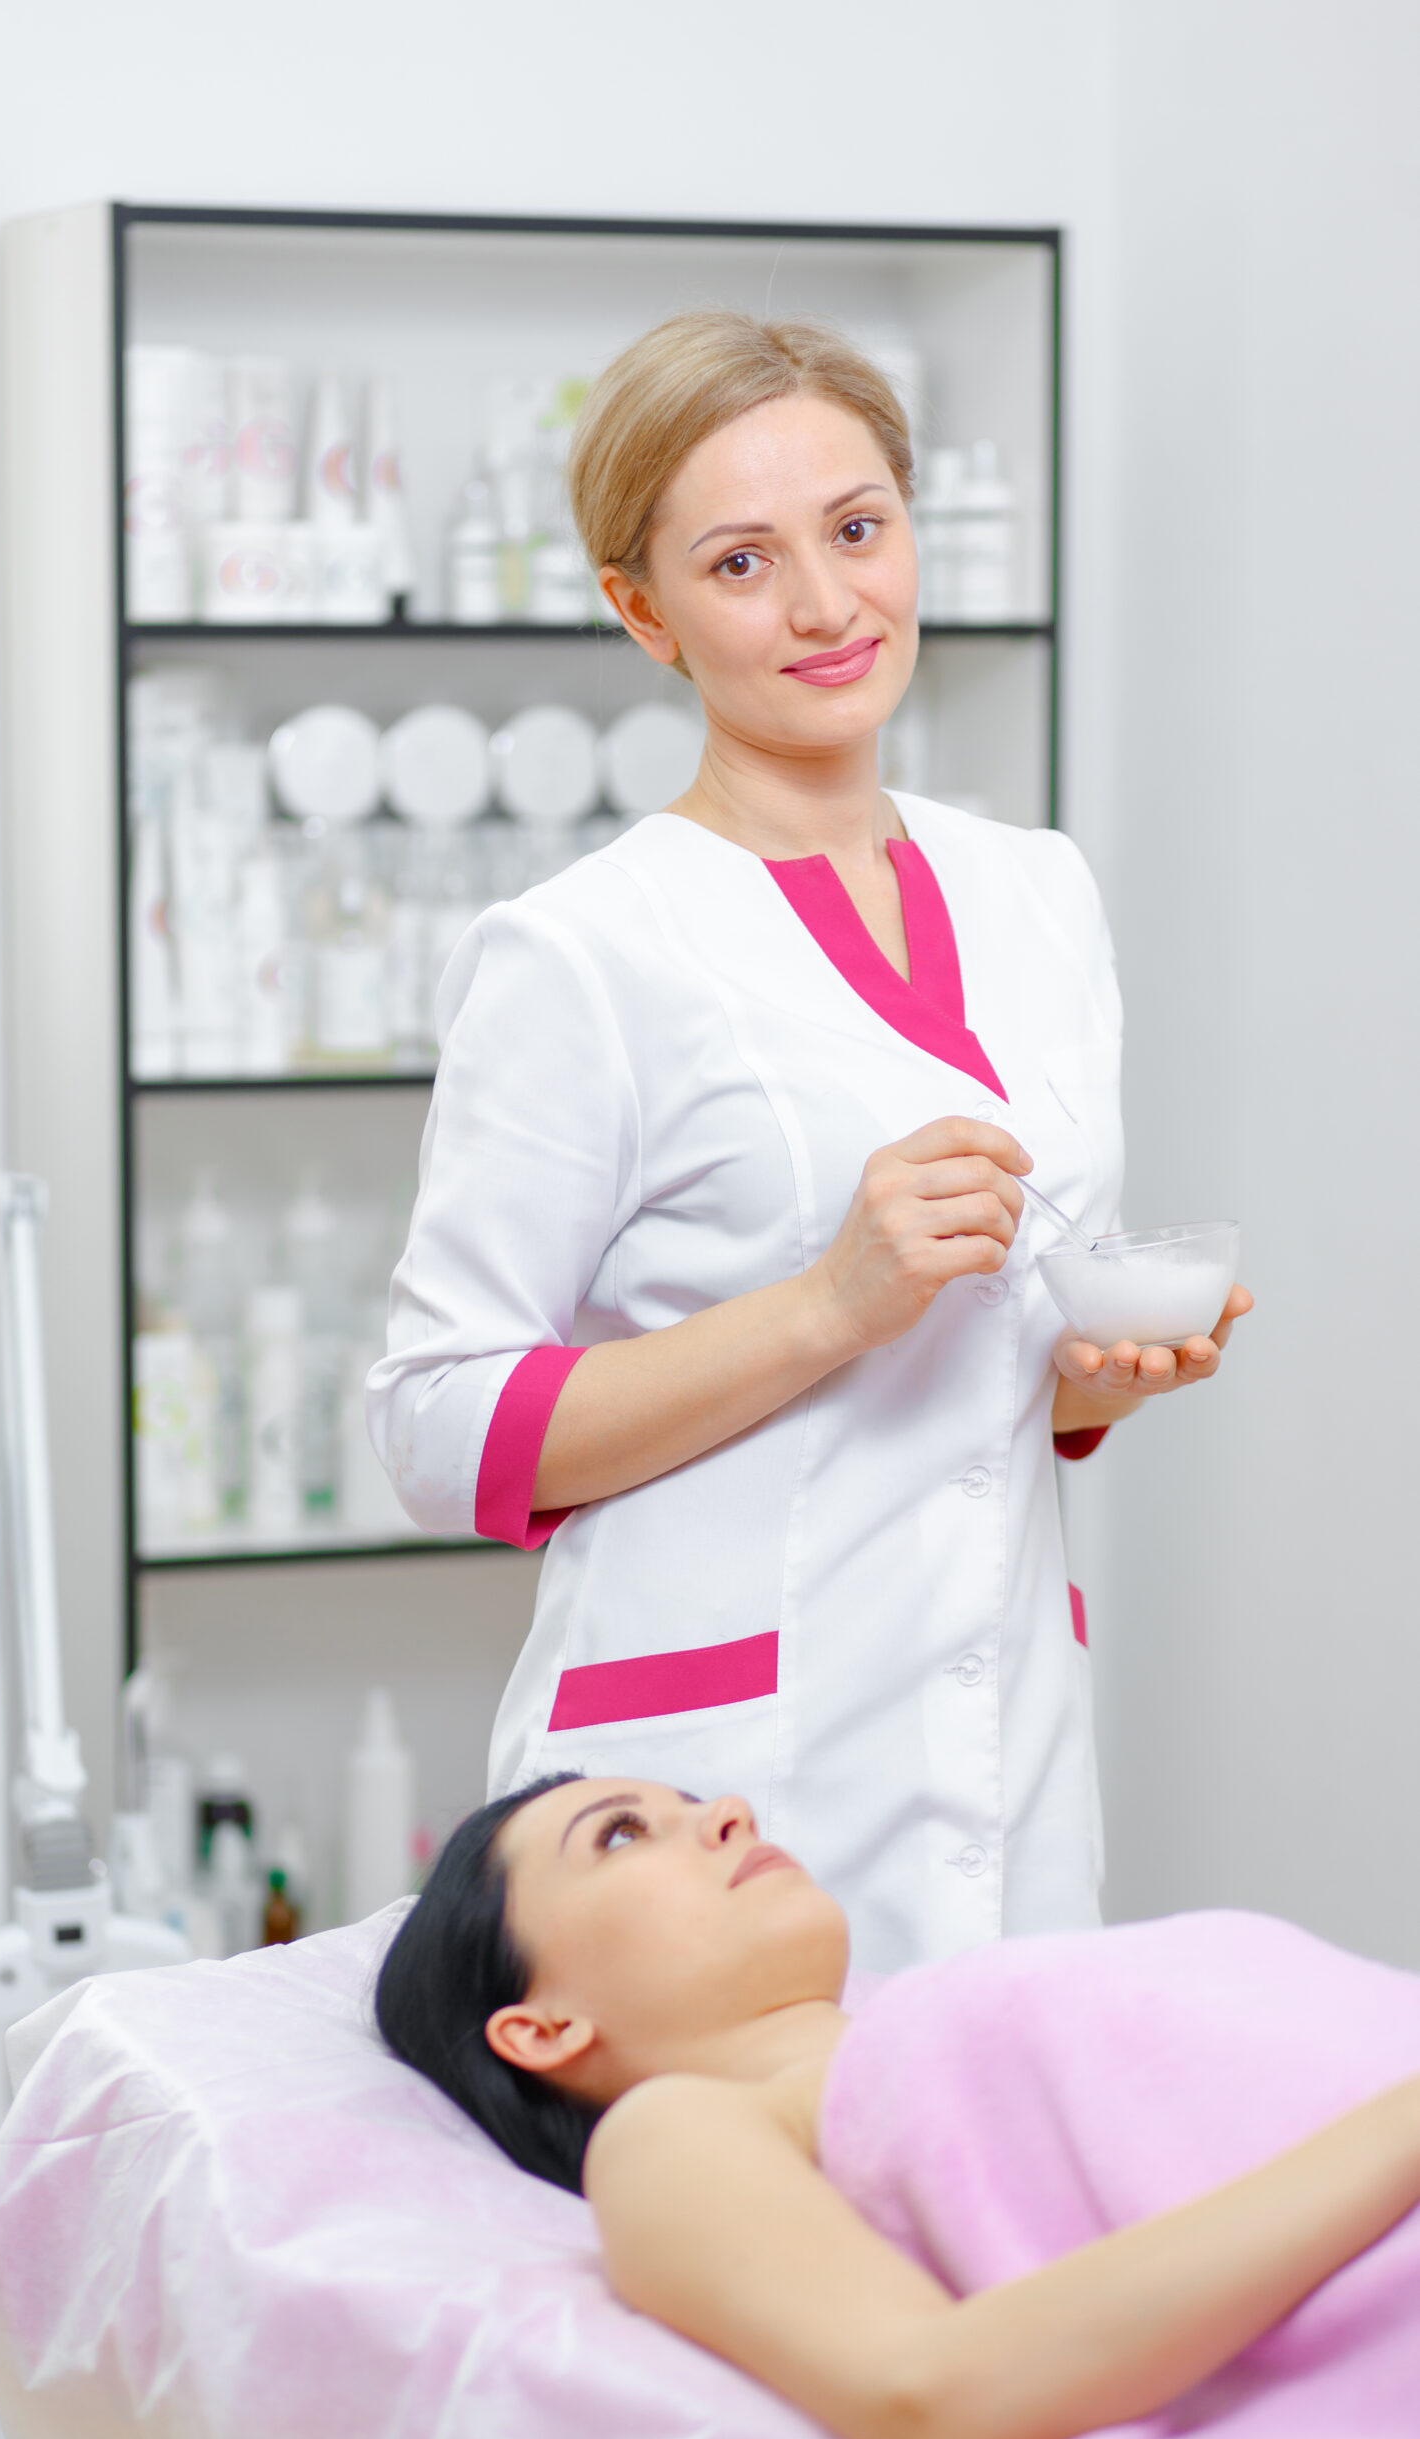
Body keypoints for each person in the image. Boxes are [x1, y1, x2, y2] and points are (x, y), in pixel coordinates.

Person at [369, 311, 1251, 1969]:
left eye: (858, 529)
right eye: (739, 562)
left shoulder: (1037, 893)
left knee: (1007, 2212)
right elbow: (435, 1425)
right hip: (705, 1805)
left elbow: (986, 1363)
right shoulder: (584, 950)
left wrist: (1089, 1384)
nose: (828, 604)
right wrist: (826, 1304)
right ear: (644, 613)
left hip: (1006, 1755)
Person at [376, 1774, 1420, 2439]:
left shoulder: (925, 2012)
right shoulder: (674, 2132)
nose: (728, 1811)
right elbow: (933, 2397)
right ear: (543, 2026)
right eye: (619, 1834)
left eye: (691, 1801)